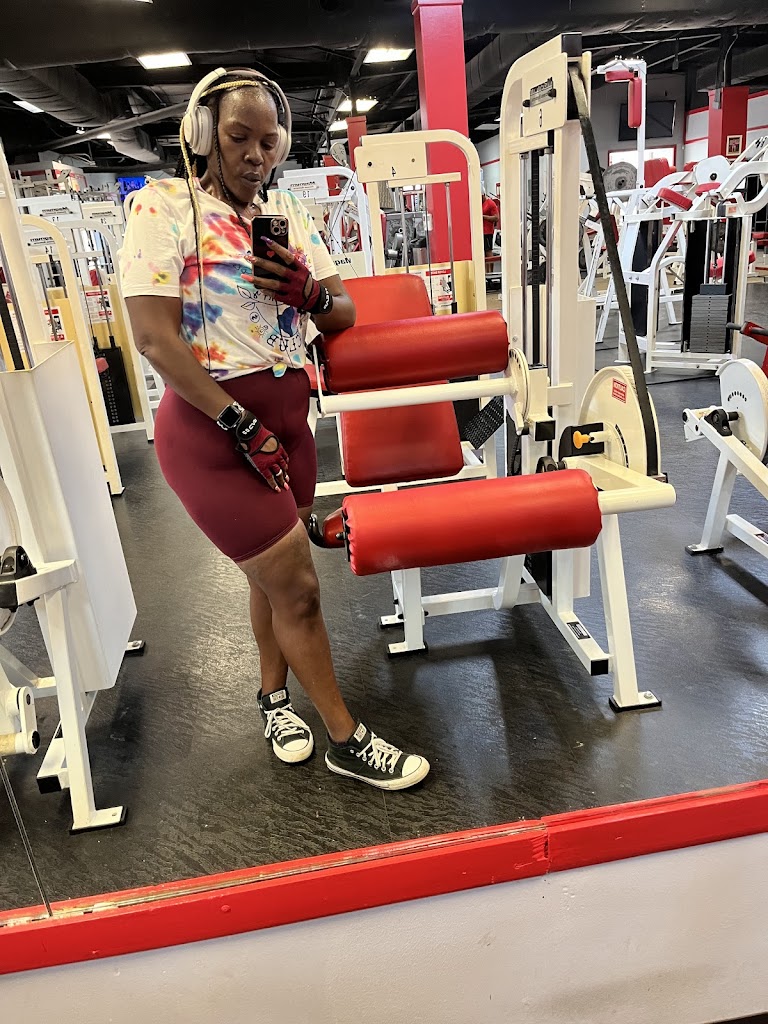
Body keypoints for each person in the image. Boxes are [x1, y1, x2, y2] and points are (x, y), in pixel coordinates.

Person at [119, 68, 429, 792]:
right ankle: (346, 739)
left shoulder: (288, 210)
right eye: (238, 138)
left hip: (292, 426)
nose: (255, 155)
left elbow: (344, 310)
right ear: (203, 135)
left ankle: (273, 699)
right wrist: (237, 422)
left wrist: (308, 291)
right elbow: (154, 338)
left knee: (272, 576)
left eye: (268, 141)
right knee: (300, 588)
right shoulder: (163, 208)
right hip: (214, 434)